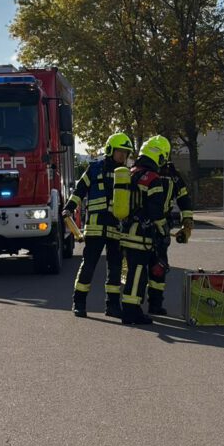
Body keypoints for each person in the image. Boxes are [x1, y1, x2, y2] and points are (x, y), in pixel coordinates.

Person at [62, 132, 134, 318]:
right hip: (95, 227)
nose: (123, 157)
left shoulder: (126, 175)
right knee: (89, 266)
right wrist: (69, 208)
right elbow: (80, 191)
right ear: (110, 150)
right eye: (120, 152)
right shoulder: (94, 169)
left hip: (115, 228)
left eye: (125, 153)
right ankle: (78, 302)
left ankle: (112, 306)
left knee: (115, 268)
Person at [120, 136, 171, 326]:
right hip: (140, 235)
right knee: (138, 275)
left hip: (126, 231)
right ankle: (132, 313)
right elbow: (156, 211)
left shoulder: (132, 172)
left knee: (134, 272)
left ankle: (132, 310)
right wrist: (163, 229)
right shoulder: (153, 179)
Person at [146, 156, 194, 316]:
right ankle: (139, 305)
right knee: (143, 266)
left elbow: (184, 199)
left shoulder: (172, 175)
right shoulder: (146, 171)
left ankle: (154, 304)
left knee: (158, 266)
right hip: (145, 225)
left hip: (158, 227)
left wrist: (187, 223)